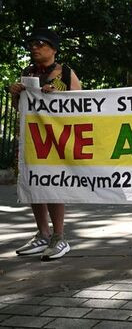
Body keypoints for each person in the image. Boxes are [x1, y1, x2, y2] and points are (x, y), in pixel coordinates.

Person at [10, 28, 81, 261]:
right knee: (34, 183)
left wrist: (57, 96)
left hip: (56, 140)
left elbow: (82, 105)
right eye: (32, 43)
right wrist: (16, 94)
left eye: (40, 43)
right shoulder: (27, 72)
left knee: (53, 185)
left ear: (53, 48)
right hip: (32, 139)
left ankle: (59, 236)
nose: (34, 47)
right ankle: (42, 233)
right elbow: (18, 108)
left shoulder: (66, 73)